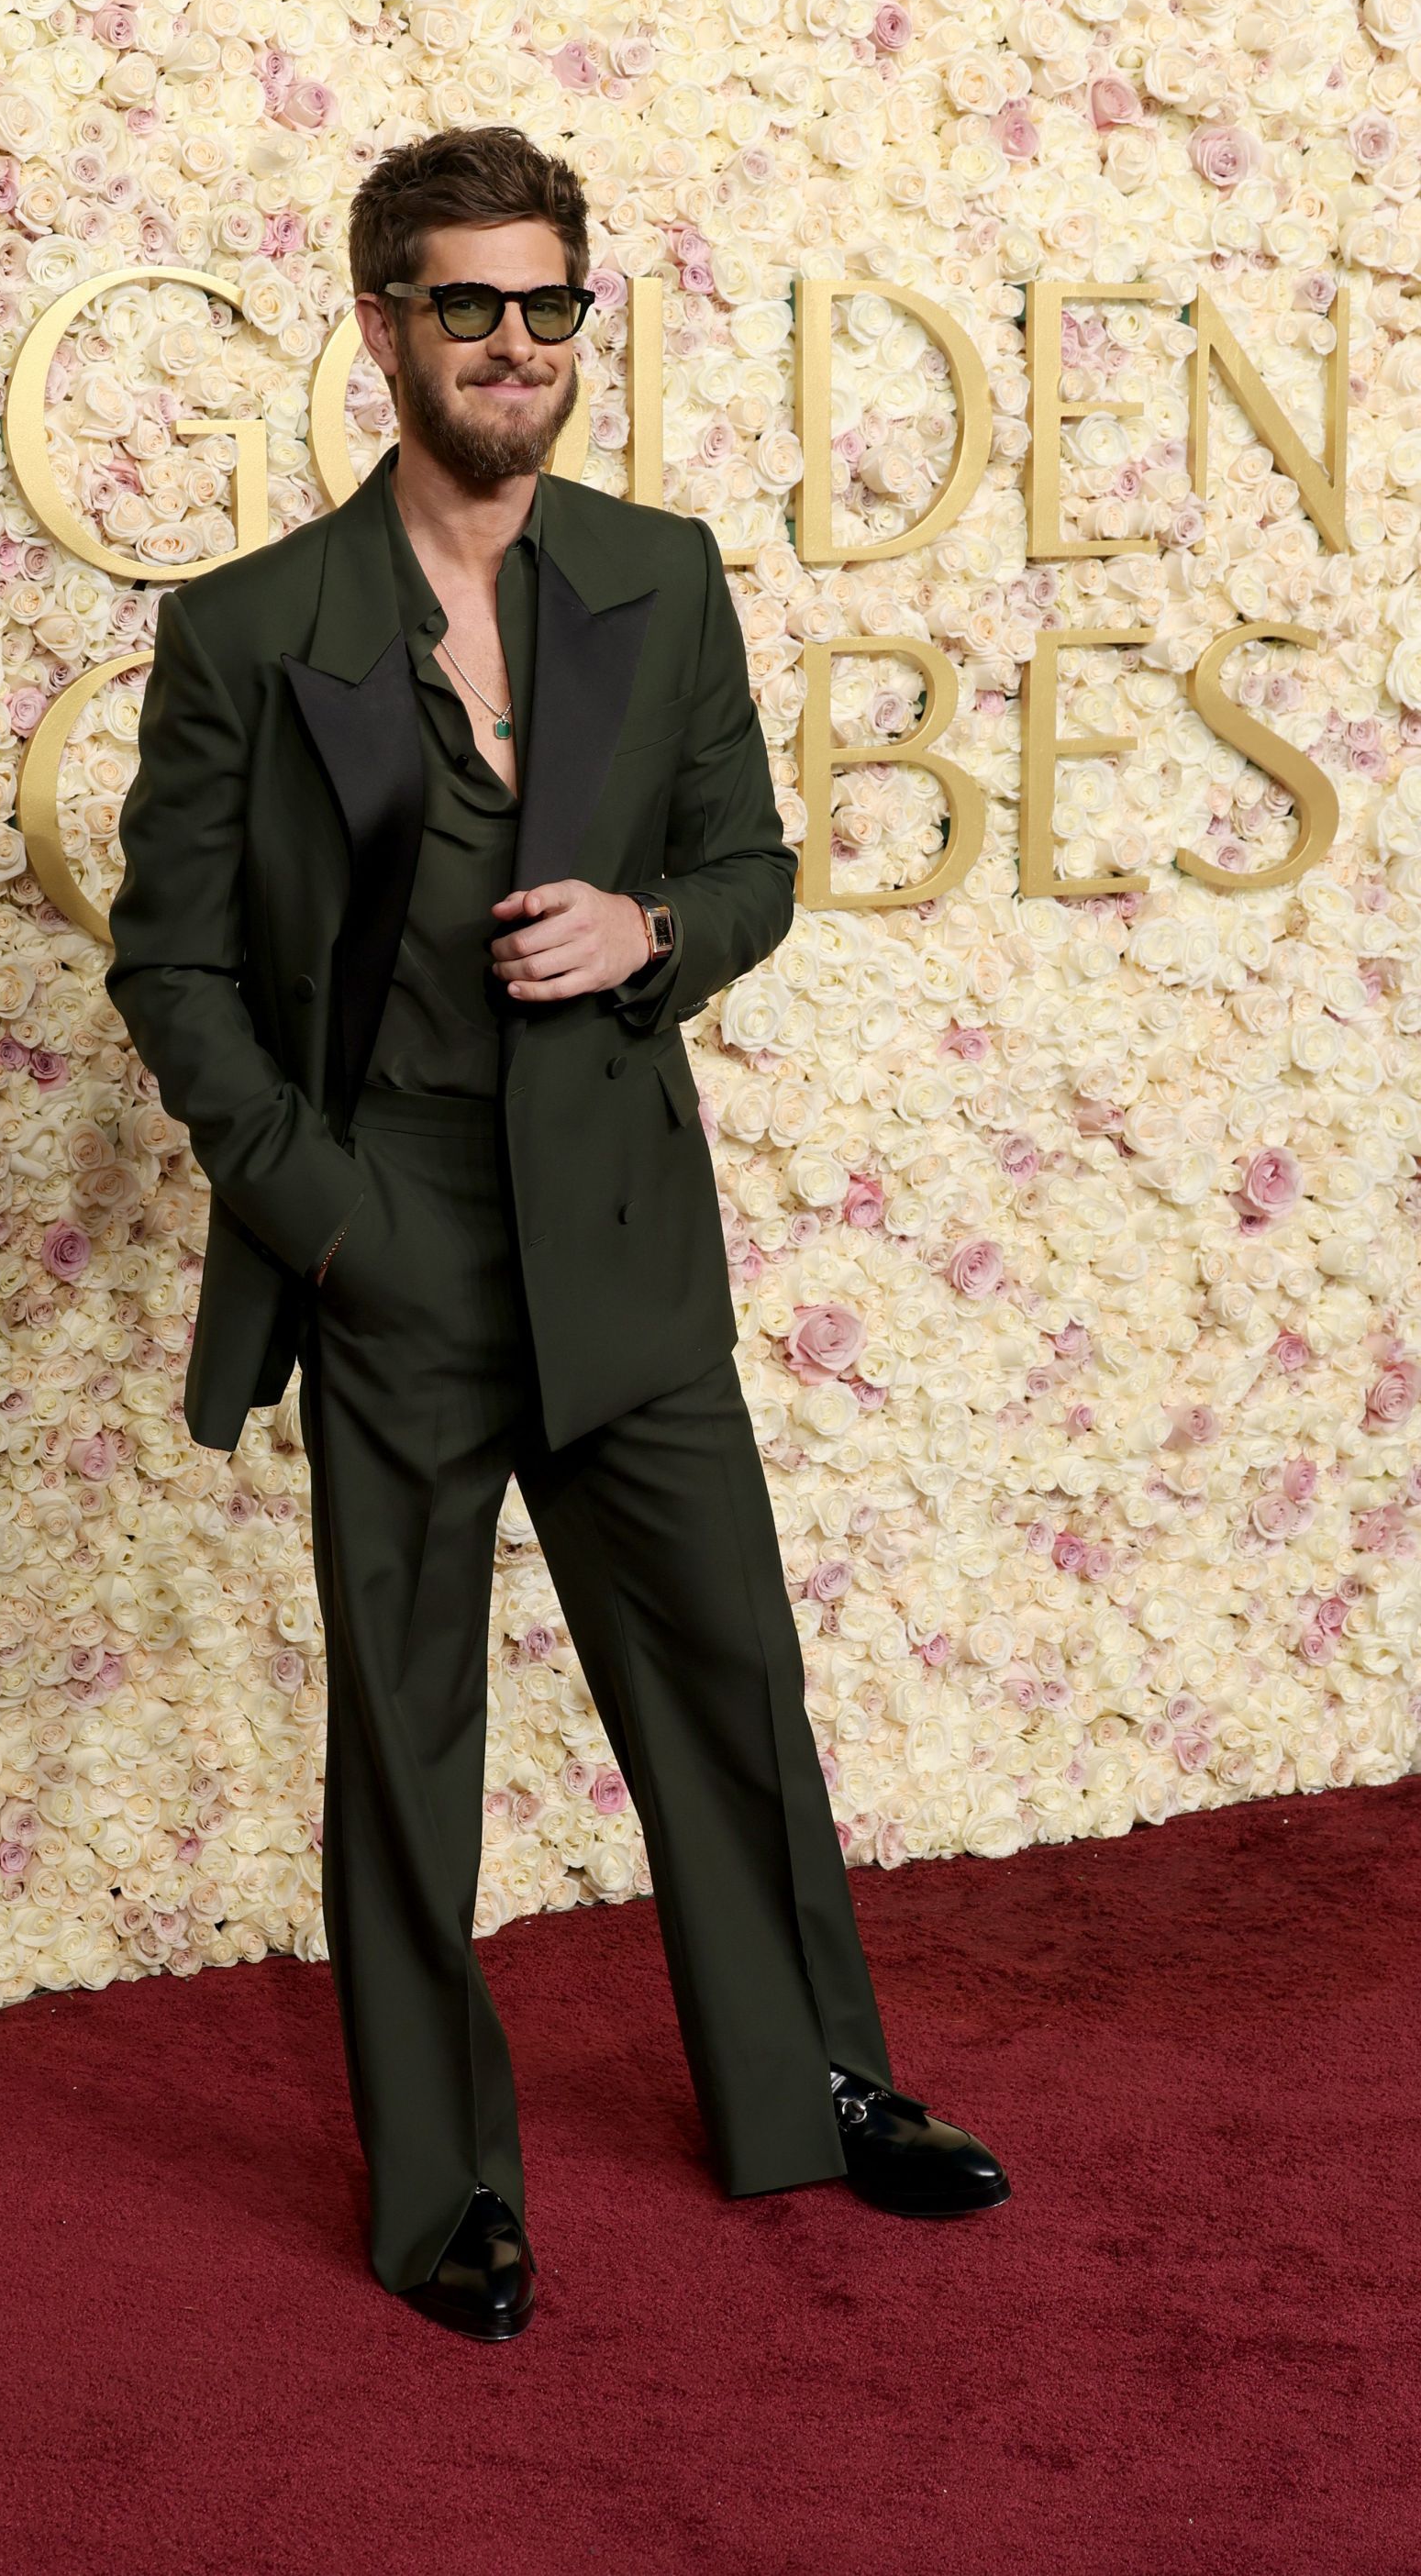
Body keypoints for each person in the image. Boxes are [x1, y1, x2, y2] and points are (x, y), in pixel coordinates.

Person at [105, 125, 1007, 2344]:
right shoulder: (248, 631)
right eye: (468, 304)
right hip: (391, 1239)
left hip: (619, 1233)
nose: (516, 343)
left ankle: (820, 2086)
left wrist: (655, 926)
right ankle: (445, 2197)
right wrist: (319, 1218)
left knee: (729, 1682)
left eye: (550, 305)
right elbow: (172, 968)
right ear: (382, 328)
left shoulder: (664, 575)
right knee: (410, 1746)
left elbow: (759, 873)